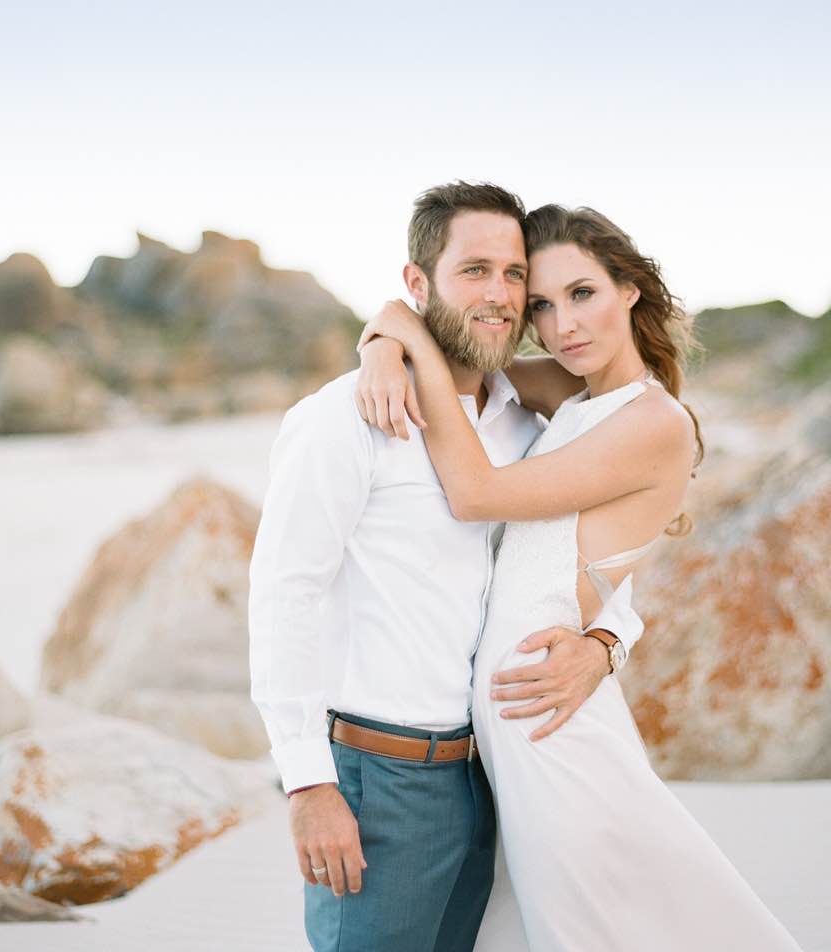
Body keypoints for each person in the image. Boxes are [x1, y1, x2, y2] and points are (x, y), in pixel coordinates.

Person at [355, 202, 806, 951]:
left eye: (583, 293)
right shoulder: (571, 394)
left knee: (592, 930)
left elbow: (476, 493)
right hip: (514, 727)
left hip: (551, 726)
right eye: (541, 304)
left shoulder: (657, 423)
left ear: (629, 287)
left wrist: (402, 332)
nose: (563, 324)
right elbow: (466, 365)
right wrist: (383, 337)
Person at [248, 182, 647, 952]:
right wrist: (307, 783)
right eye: (474, 271)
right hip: (379, 776)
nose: (498, 295)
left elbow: (584, 553)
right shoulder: (344, 418)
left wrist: (605, 644)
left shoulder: (526, 424)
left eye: (511, 275)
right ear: (417, 282)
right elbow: (283, 593)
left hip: (494, 777)